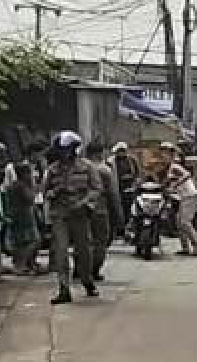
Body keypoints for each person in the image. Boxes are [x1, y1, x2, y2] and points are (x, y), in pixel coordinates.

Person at [43, 130, 101, 304]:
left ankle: (87, 280)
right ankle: (64, 288)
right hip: (60, 214)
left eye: (66, 150)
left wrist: (84, 203)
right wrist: (54, 192)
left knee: (84, 251)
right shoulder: (52, 170)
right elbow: (44, 191)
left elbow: (96, 188)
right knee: (61, 251)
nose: (63, 154)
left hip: (80, 215)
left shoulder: (87, 167)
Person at [85, 141, 123, 280]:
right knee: (100, 240)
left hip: (81, 210)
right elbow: (113, 194)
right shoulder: (104, 169)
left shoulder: (80, 167)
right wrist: (119, 216)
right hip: (99, 210)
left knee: (83, 240)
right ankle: (93, 270)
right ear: (100, 153)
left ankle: (80, 268)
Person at [160, 142, 197, 256]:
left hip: (190, 196)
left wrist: (175, 185)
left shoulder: (175, 166)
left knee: (184, 222)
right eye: (162, 154)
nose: (163, 156)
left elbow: (187, 174)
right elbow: (167, 182)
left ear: (171, 156)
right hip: (183, 197)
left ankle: (196, 247)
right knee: (178, 223)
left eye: (165, 154)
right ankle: (185, 248)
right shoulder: (169, 168)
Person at [6, 162, 41, 275]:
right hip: (25, 215)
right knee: (34, 241)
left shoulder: (13, 185)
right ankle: (22, 264)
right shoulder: (22, 186)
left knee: (20, 242)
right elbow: (30, 198)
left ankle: (26, 264)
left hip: (16, 214)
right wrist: (34, 187)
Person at [109, 142, 142, 226]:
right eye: (119, 151)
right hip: (117, 188)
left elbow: (138, 174)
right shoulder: (111, 161)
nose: (121, 153)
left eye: (123, 150)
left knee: (132, 208)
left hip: (131, 188)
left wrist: (135, 185)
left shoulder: (132, 160)